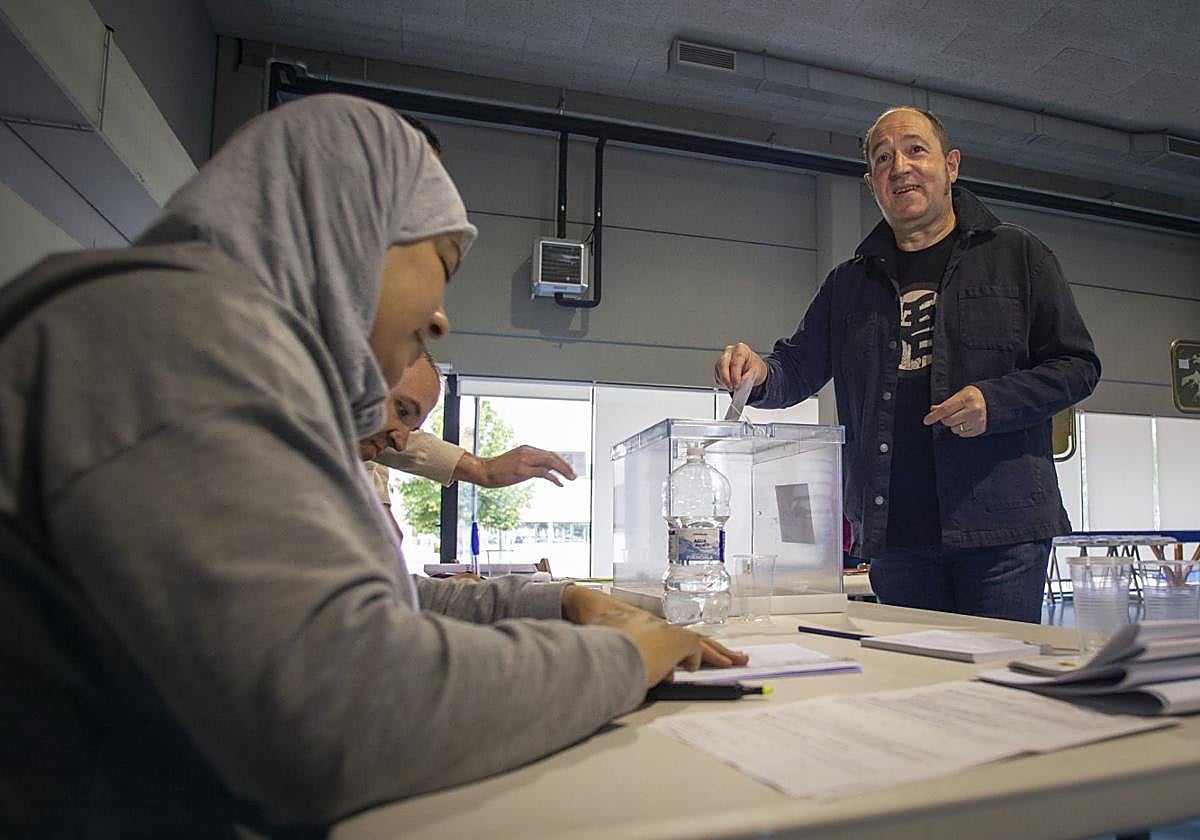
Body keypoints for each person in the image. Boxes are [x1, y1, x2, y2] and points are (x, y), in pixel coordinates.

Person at [0, 93, 745, 838]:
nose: (442, 319)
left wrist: (559, 603)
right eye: (443, 265)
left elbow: (384, 605)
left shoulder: (213, 345)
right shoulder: (172, 332)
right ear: (352, 227)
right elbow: (343, 705)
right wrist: (618, 659)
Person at [715, 106, 1100, 624]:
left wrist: (996, 401)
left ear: (952, 165)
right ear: (872, 182)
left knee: (1000, 684)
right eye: (882, 158)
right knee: (915, 683)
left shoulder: (1018, 255)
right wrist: (759, 373)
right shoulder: (848, 283)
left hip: (1001, 530)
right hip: (897, 536)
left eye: (916, 149)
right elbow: (796, 369)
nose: (899, 166)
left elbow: (1077, 365)